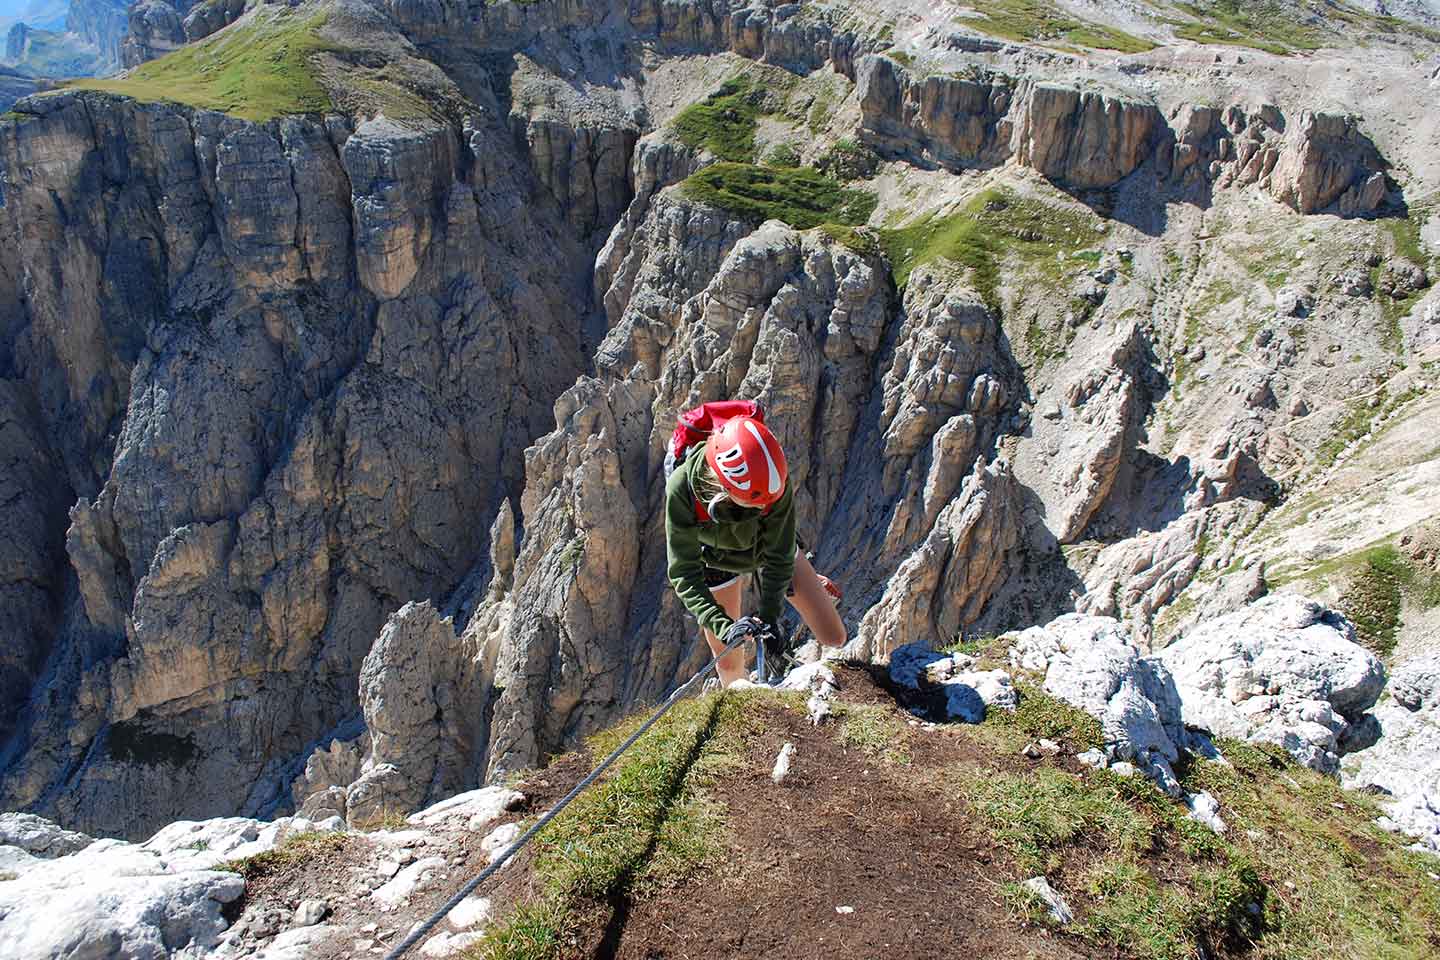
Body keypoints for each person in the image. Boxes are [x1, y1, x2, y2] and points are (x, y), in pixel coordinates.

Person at [664, 410, 846, 688]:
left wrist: (769, 617)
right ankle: (743, 709)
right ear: (722, 491)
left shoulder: (773, 482)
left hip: (768, 547)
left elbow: (779, 554)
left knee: (834, 636)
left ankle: (809, 580)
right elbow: (684, 574)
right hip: (715, 561)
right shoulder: (683, 489)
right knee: (729, 665)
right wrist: (724, 627)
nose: (763, 509)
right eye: (754, 506)